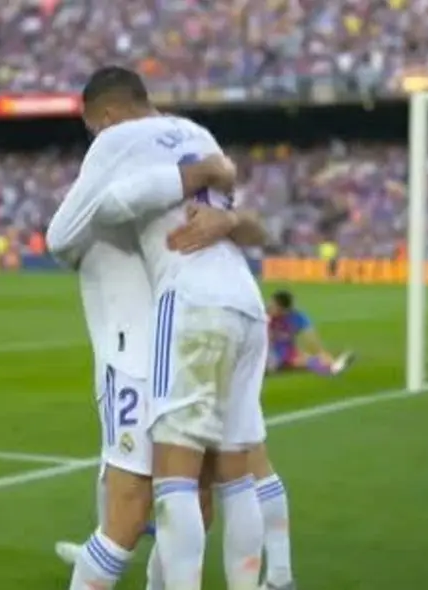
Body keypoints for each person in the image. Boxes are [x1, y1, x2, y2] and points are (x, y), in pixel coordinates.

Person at [75, 65, 272, 590]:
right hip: (246, 301)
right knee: (236, 476)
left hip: (191, 301)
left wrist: (174, 182)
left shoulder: (121, 141)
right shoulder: (196, 134)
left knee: (175, 482)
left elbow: (105, 207)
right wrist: (219, 193)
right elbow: (253, 223)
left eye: (94, 128)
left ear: (107, 116)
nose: (96, 139)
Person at [266, 289, 355, 377]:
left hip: (285, 353)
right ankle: (331, 366)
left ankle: (333, 366)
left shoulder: (296, 317)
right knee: (292, 362)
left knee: (301, 360)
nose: (269, 306)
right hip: (269, 351)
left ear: (282, 308)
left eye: (273, 304)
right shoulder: (265, 316)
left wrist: (321, 353)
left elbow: (311, 338)